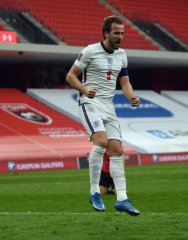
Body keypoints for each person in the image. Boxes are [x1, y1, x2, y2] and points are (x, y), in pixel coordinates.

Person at [66, 15, 140, 215]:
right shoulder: (90, 51)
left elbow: (124, 82)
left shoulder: (122, 54)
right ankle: (94, 192)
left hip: (108, 106)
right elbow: (70, 76)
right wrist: (84, 89)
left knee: (116, 150)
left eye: (122, 33)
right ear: (106, 33)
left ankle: (122, 199)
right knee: (101, 141)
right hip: (89, 102)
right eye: (116, 33)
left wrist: (131, 96)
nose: (120, 37)